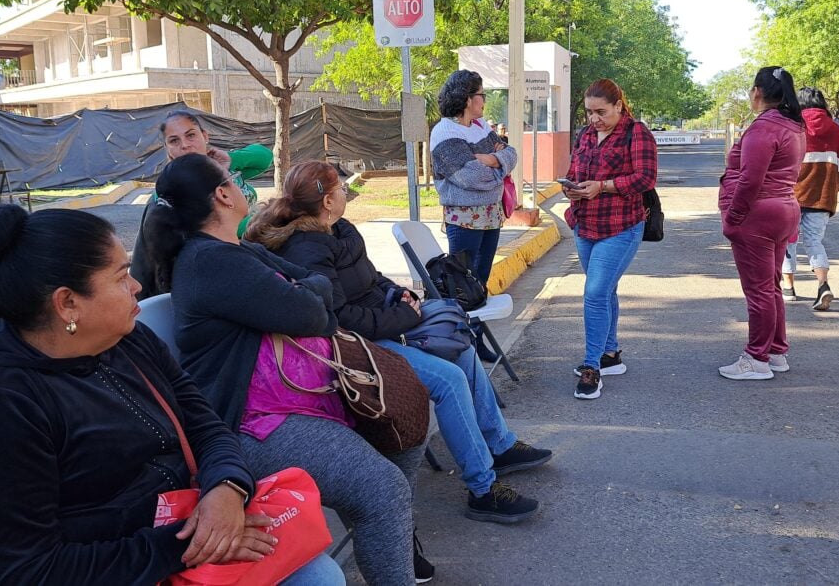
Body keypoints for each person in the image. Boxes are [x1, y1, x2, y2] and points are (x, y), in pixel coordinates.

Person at [0, 205, 343, 586]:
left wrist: (227, 488)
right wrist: (190, 545)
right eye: (120, 276)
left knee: (318, 572)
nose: (137, 285)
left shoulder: (126, 341)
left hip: (184, 532)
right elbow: (26, 571)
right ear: (68, 303)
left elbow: (205, 424)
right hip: (131, 565)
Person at [142, 153, 428, 586]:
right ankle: (384, 524)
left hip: (305, 393)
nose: (242, 186)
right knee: (382, 488)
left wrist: (306, 295)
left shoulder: (240, 250)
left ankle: (387, 532)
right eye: (234, 179)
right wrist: (305, 296)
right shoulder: (209, 262)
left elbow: (319, 292)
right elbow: (315, 314)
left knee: (404, 422)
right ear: (222, 195)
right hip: (250, 420)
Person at [247, 160, 550, 525]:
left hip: (386, 325)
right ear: (327, 201)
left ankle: (498, 446)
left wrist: (400, 293)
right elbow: (338, 319)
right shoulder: (306, 249)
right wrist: (406, 317)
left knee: (463, 349)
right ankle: (483, 490)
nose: (346, 192)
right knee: (449, 379)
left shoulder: (339, 229)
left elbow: (370, 277)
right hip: (355, 348)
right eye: (340, 189)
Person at [562, 79, 657, 400]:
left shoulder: (636, 133)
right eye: (589, 112)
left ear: (618, 105)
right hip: (585, 224)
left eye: (601, 112)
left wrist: (602, 186)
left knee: (594, 293)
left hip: (621, 226)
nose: (594, 119)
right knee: (605, 291)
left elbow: (645, 178)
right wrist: (571, 186)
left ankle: (592, 367)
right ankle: (611, 353)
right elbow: (576, 169)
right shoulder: (586, 135)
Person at [718, 67, 805, 380]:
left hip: (758, 215)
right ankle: (776, 351)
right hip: (783, 210)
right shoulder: (793, 125)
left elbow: (750, 179)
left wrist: (733, 218)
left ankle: (756, 359)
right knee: (771, 287)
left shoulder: (764, 127)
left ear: (757, 92)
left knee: (758, 291)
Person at [130, 110, 272, 299]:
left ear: (205, 136)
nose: (185, 145)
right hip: (227, 263)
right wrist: (262, 221)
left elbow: (264, 157)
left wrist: (230, 160)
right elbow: (215, 231)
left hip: (253, 248)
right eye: (174, 141)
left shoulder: (219, 168)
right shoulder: (172, 190)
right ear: (167, 149)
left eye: (191, 135)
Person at [430, 70, 516, 362]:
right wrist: (498, 167)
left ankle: (477, 344)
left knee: (480, 284)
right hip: (464, 221)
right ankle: (463, 349)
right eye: (481, 94)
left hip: (490, 217)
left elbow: (511, 153)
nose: (484, 99)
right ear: (467, 99)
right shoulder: (445, 133)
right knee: (463, 288)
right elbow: (470, 177)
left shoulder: (479, 126)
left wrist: (494, 160)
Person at [780, 87, 839, 312]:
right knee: (814, 241)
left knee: (786, 241)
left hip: (790, 196)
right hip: (822, 198)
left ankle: (789, 288)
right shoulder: (834, 128)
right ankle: (823, 286)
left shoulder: (793, 126)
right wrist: (832, 185)